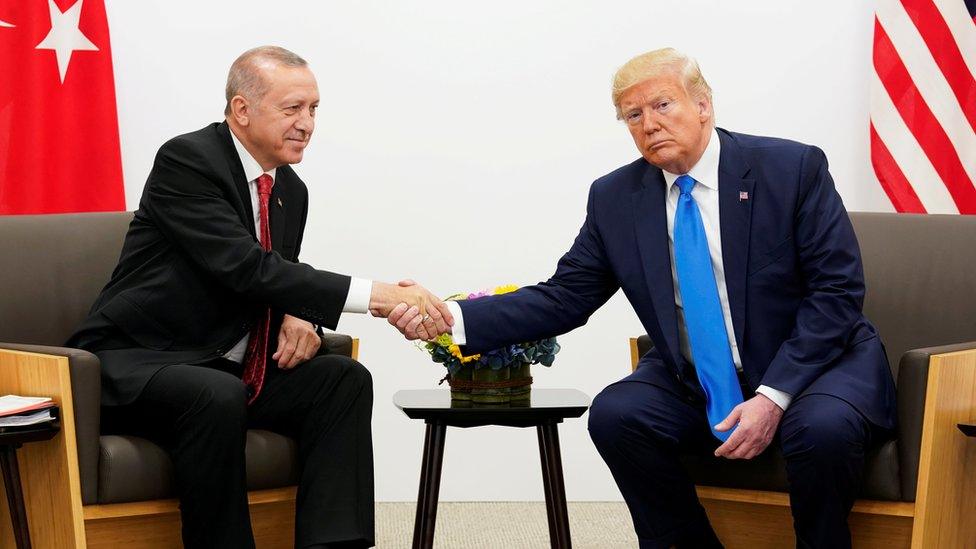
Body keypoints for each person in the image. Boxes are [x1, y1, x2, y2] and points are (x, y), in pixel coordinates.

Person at [390, 48, 896, 548]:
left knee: (823, 431)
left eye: (662, 105)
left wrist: (772, 396)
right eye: (633, 115)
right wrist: (448, 316)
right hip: (697, 376)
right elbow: (564, 297)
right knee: (617, 415)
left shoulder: (792, 169)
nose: (648, 124)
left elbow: (837, 291)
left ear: (703, 105)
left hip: (814, 367)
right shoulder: (616, 197)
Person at [67, 45, 451, 549]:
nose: (307, 123)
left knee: (343, 379)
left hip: (223, 363)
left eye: (313, 109)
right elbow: (244, 266)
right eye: (292, 109)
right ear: (241, 110)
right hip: (142, 361)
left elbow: (274, 278)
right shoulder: (188, 160)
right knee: (214, 392)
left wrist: (300, 316)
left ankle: (336, 544)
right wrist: (375, 297)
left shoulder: (290, 189)